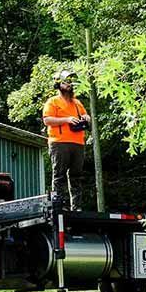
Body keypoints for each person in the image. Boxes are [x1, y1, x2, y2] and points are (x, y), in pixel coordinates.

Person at [43, 70, 91, 210]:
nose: (69, 85)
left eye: (70, 82)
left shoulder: (77, 103)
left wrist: (87, 118)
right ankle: (59, 205)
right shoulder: (52, 101)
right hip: (59, 142)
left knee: (76, 176)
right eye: (65, 82)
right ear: (58, 84)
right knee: (59, 175)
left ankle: (76, 206)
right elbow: (47, 120)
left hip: (78, 143)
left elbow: (85, 116)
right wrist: (67, 119)